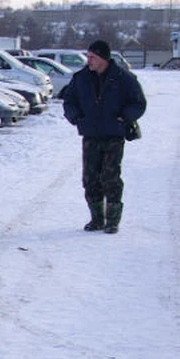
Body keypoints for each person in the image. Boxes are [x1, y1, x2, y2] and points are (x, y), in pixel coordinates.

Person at [63, 39, 147, 233]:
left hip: (113, 135)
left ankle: (112, 221)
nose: (89, 60)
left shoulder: (124, 78)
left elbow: (138, 103)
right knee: (90, 178)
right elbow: (69, 100)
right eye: (88, 56)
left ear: (104, 58)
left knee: (110, 177)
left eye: (92, 57)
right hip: (90, 135)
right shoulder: (81, 78)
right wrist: (76, 117)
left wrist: (124, 118)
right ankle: (97, 219)